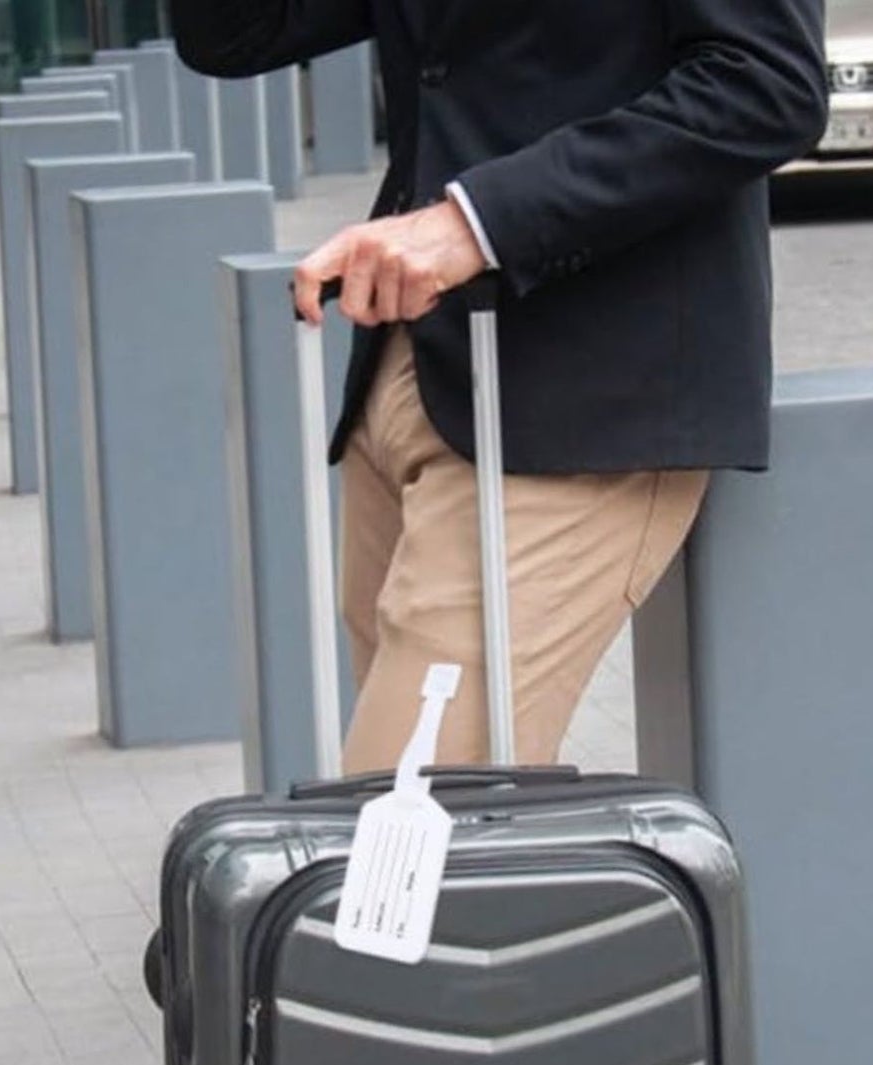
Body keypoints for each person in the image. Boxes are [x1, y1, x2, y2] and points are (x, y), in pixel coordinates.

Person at [173, 2, 827, 770]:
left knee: (406, 834)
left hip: (579, 398)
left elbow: (767, 85)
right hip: (409, 374)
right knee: (424, 823)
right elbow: (239, 33)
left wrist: (474, 223)